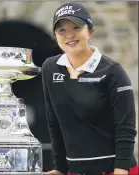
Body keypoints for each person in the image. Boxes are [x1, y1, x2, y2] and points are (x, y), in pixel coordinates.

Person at [41, 2, 138, 175]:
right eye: (61, 30)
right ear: (55, 35)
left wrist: (121, 171)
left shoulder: (112, 71)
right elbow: (54, 122)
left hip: (115, 171)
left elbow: (126, 128)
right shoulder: (50, 68)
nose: (69, 35)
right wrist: (59, 168)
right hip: (74, 171)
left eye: (76, 27)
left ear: (90, 31)